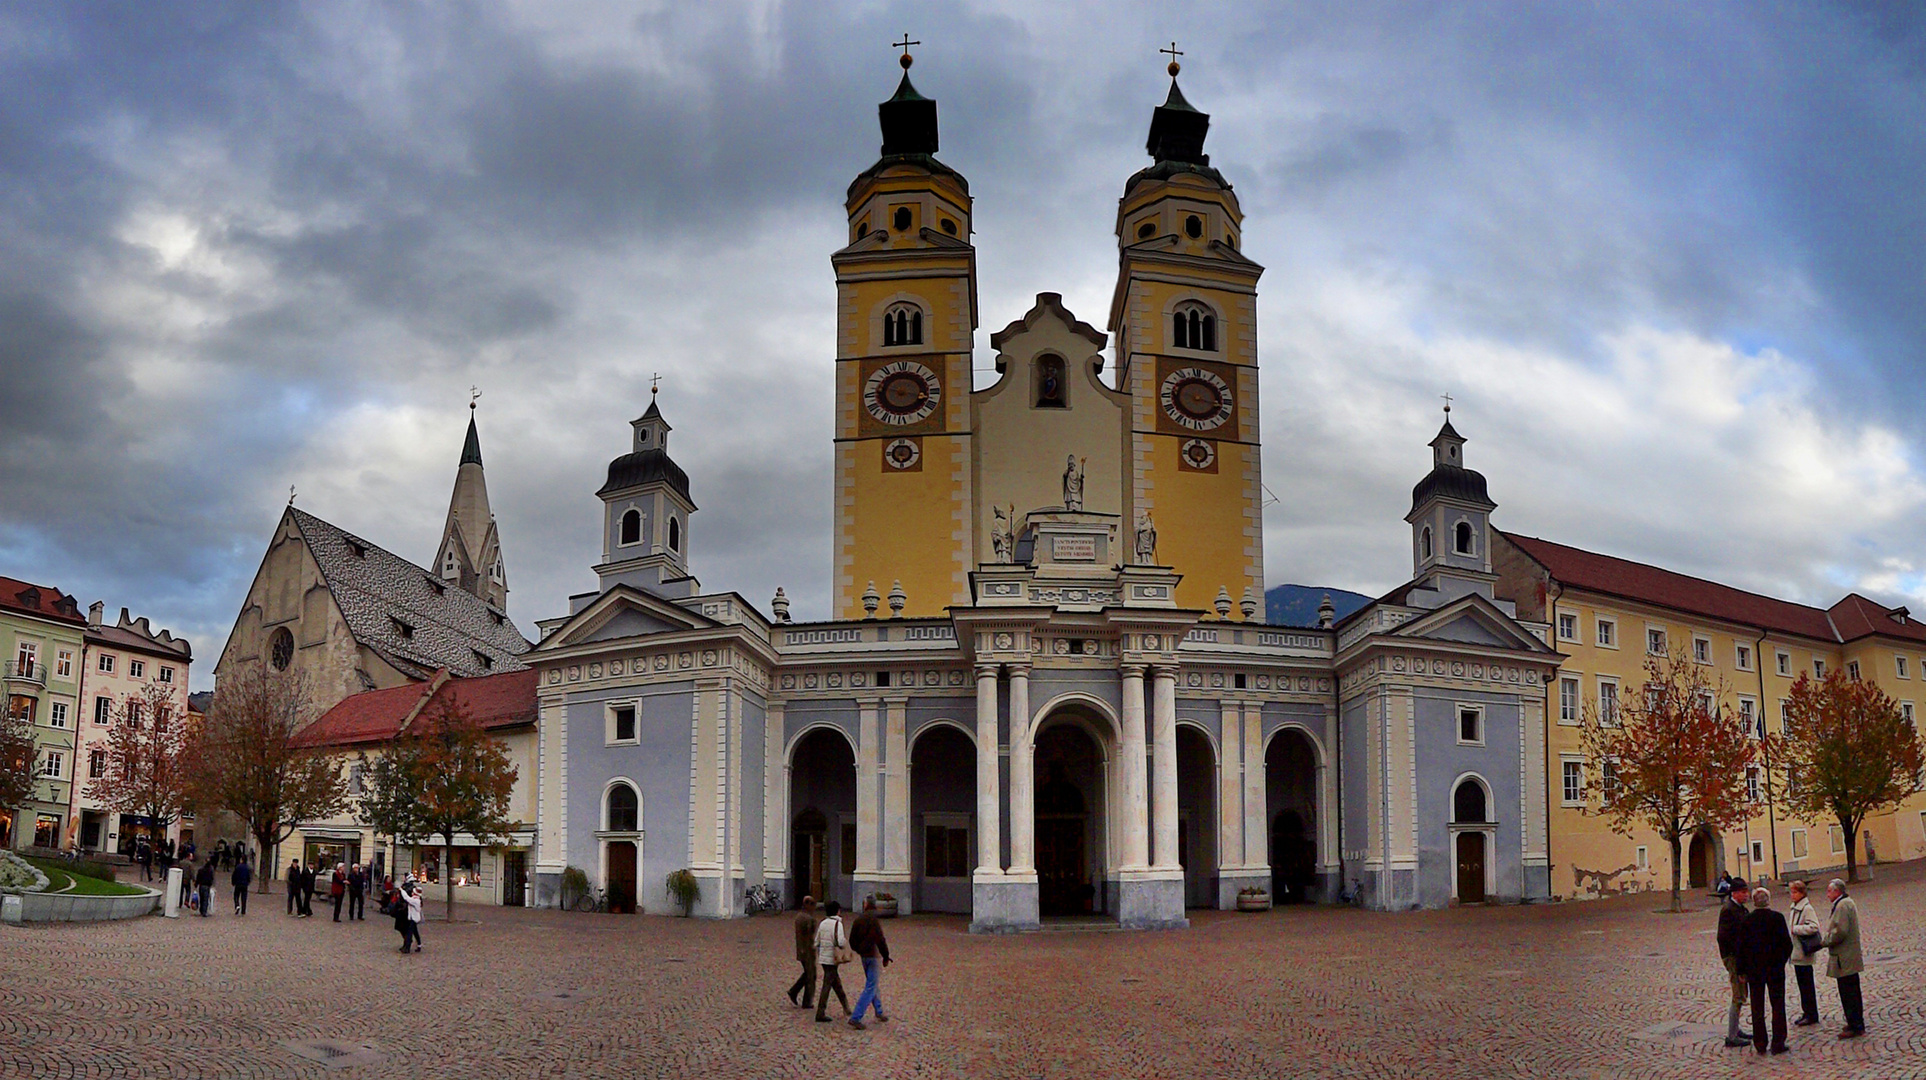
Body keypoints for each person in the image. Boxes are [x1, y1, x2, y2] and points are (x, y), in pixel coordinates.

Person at [1737, 886, 1792, 1055]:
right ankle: (1778, 1041)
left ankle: (1760, 1042)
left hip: (1755, 971)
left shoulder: (1747, 921)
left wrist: (1742, 971)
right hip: (1775, 969)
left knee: (1757, 1007)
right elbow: (1787, 945)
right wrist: (1780, 962)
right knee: (1778, 1005)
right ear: (1768, 901)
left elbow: (1741, 948)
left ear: (1754, 902)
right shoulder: (1777, 918)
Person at [1822, 878, 1865, 1038]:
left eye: (1829, 891)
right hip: (1847, 955)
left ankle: (1856, 1024)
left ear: (1837, 891)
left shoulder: (1842, 905)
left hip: (1845, 956)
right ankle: (1854, 1022)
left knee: (1849, 992)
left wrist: (1825, 941)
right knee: (1850, 990)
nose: (1827, 895)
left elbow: (1840, 931)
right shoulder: (1845, 903)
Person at [1716, 876, 1753, 1048]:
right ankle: (1731, 1036)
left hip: (1740, 957)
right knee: (1738, 996)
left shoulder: (1740, 909)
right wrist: (1736, 965)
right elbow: (1725, 939)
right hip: (1733, 958)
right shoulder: (1728, 910)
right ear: (1736, 893)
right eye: (1744, 892)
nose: (1747, 895)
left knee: (1741, 994)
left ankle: (1736, 1029)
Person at [847, 896, 893, 1029]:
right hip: (872, 956)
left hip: (864, 956)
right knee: (871, 986)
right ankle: (856, 1016)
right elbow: (880, 940)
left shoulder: (859, 919)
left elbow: (852, 940)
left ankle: (878, 1011)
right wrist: (886, 956)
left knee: (872, 983)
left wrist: (859, 950)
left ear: (865, 905)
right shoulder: (873, 920)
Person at [1787, 880, 1823, 1026]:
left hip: (1804, 952)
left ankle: (1811, 1013)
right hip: (1797, 952)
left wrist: (1796, 929)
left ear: (1802, 893)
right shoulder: (1795, 907)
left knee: (1807, 985)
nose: (1792, 895)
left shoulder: (1807, 908)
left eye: (1795, 892)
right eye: (1791, 892)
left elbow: (1814, 926)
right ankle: (1806, 1011)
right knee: (1802, 985)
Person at [812, 900, 851, 1023]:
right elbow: (840, 942)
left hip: (823, 958)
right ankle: (820, 1012)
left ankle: (846, 1007)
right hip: (833, 958)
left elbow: (816, 942)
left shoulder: (822, 923)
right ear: (837, 911)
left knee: (836, 983)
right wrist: (844, 942)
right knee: (827, 985)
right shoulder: (837, 924)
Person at [787, 896, 823, 1008]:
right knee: (811, 975)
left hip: (801, 949)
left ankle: (794, 991)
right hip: (808, 951)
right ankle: (806, 1001)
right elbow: (812, 935)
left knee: (808, 974)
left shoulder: (799, 917)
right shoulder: (809, 919)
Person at [403, 882, 424, 952]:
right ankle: (419, 945)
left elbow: (407, 898)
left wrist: (401, 890)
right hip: (413, 918)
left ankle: (407, 948)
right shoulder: (417, 900)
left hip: (413, 919)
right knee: (415, 933)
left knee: (409, 933)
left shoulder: (416, 900)